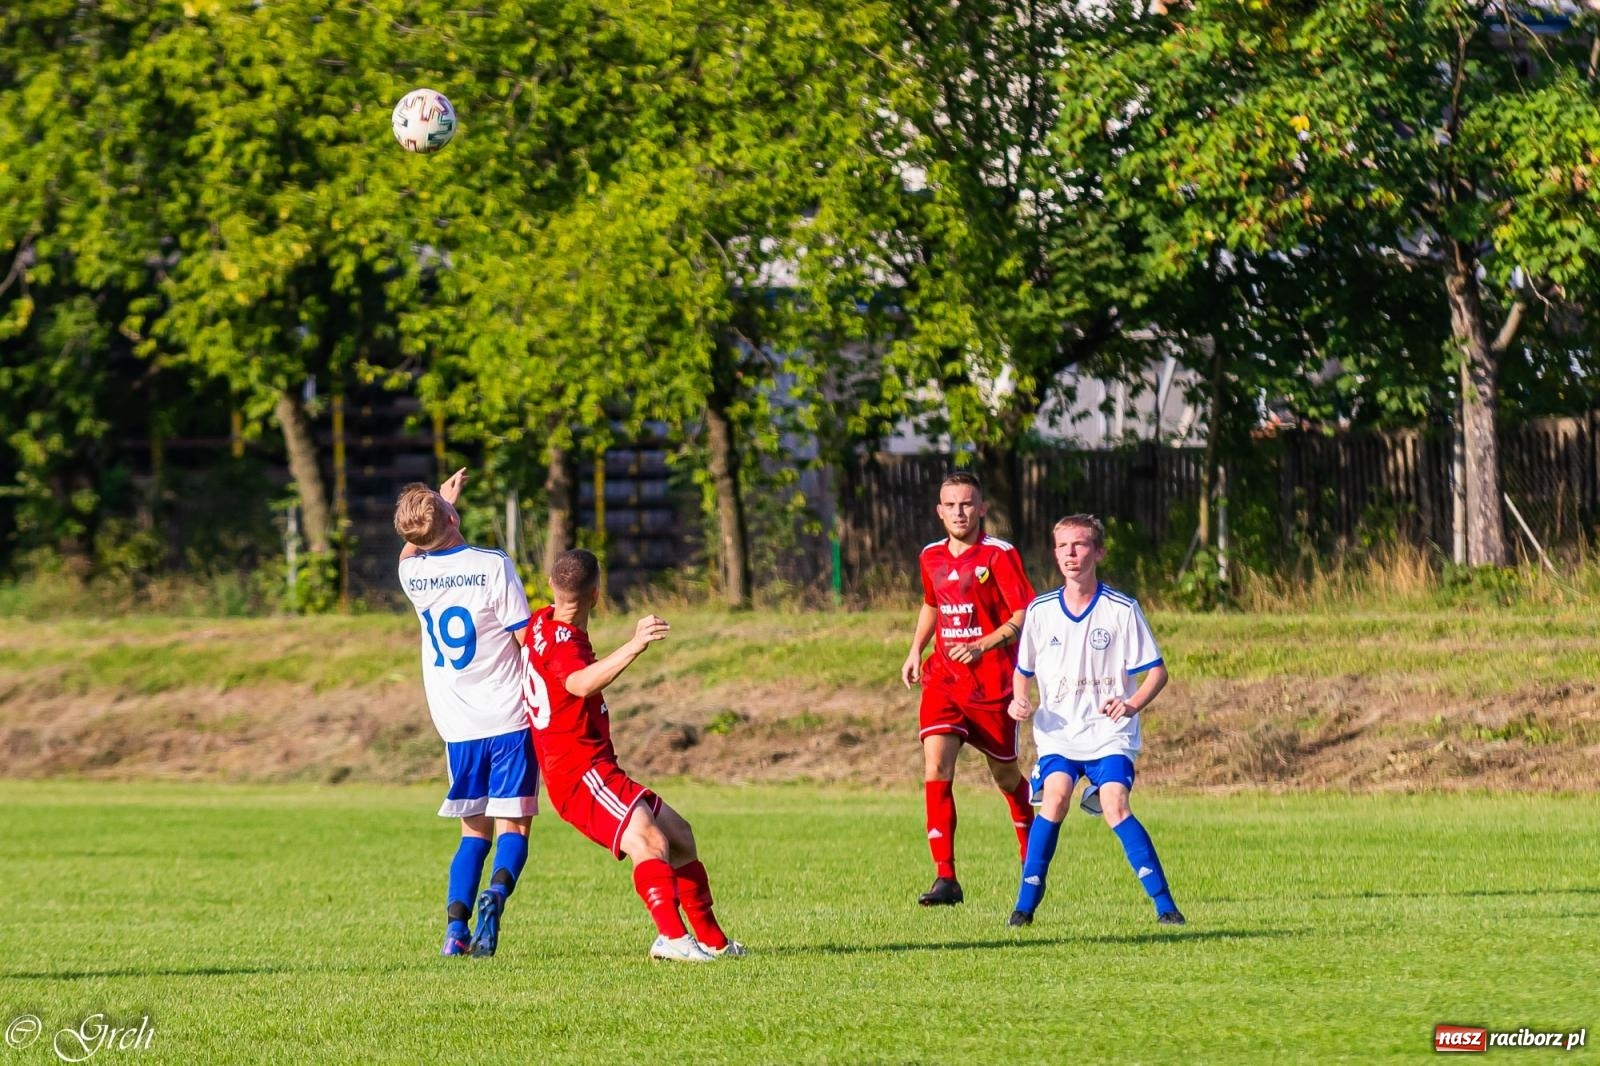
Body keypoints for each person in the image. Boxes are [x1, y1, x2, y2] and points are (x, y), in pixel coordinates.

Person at [525, 548, 744, 963]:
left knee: (679, 835)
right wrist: (635, 645)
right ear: (596, 594)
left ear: (553, 586)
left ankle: (714, 942)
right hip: (579, 773)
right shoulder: (566, 645)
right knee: (650, 840)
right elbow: (578, 683)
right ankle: (671, 938)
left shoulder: (540, 620)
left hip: (596, 767)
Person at [1004, 513, 1185, 927]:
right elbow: (1023, 671)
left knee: (1115, 805)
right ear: (1055, 552)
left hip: (1108, 734)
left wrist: (1132, 704)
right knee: (1055, 798)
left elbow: (1156, 672)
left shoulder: (1121, 609)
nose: (1071, 553)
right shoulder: (1041, 611)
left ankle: (1165, 907)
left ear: (1098, 552)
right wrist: (1018, 700)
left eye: (1081, 544)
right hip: (1059, 733)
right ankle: (1024, 908)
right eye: (1063, 545)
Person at [395, 468, 538, 958]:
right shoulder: (492, 564)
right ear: (453, 516)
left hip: (458, 727)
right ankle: (495, 896)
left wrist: (435, 503)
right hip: (509, 716)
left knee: (471, 830)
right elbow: (524, 638)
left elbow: (411, 548)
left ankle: (455, 932)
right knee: (513, 827)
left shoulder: (412, 574)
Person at [900, 471, 1037, 906]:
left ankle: (1031, 858)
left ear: (981, 509)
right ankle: (946, 878)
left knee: (1006, 775)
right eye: (951, 505)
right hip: (943, 681)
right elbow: (932, 604)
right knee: (936, 766)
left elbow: (1024, 616)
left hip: (993, 684)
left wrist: (983, 644)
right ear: (940, 511)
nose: (959, 513)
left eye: (967, 504)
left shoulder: (1000, 555)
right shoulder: (930, 556)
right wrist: (914, 650)